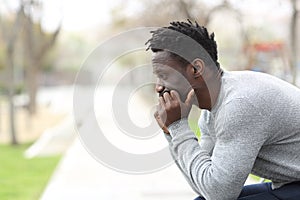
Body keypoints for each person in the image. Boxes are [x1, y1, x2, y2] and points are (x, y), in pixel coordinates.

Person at [145, 19, 300, 200]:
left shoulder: (239, 105)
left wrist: (179, 127)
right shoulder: (211, 113)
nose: (158, 87)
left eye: (164, 76)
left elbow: (219, 193)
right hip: (289, 184)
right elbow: (203, 183)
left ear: (196, 69)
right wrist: (172, 132)